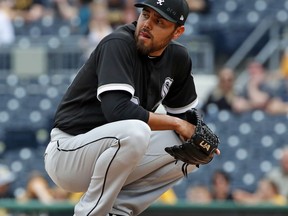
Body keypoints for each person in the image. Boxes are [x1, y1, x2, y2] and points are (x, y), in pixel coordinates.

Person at [44, 0, 220, 215]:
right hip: (69, 152)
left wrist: (199, 137)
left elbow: (187, 118)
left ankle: (118, 211)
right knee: (136, 131)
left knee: (191, 149)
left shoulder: (178, 58)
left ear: (177, 32)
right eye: (146, 14)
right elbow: (118, 111)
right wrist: (176, 123)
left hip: (115, 154)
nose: (147, 23)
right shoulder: (117, 43)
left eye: (159, 21)